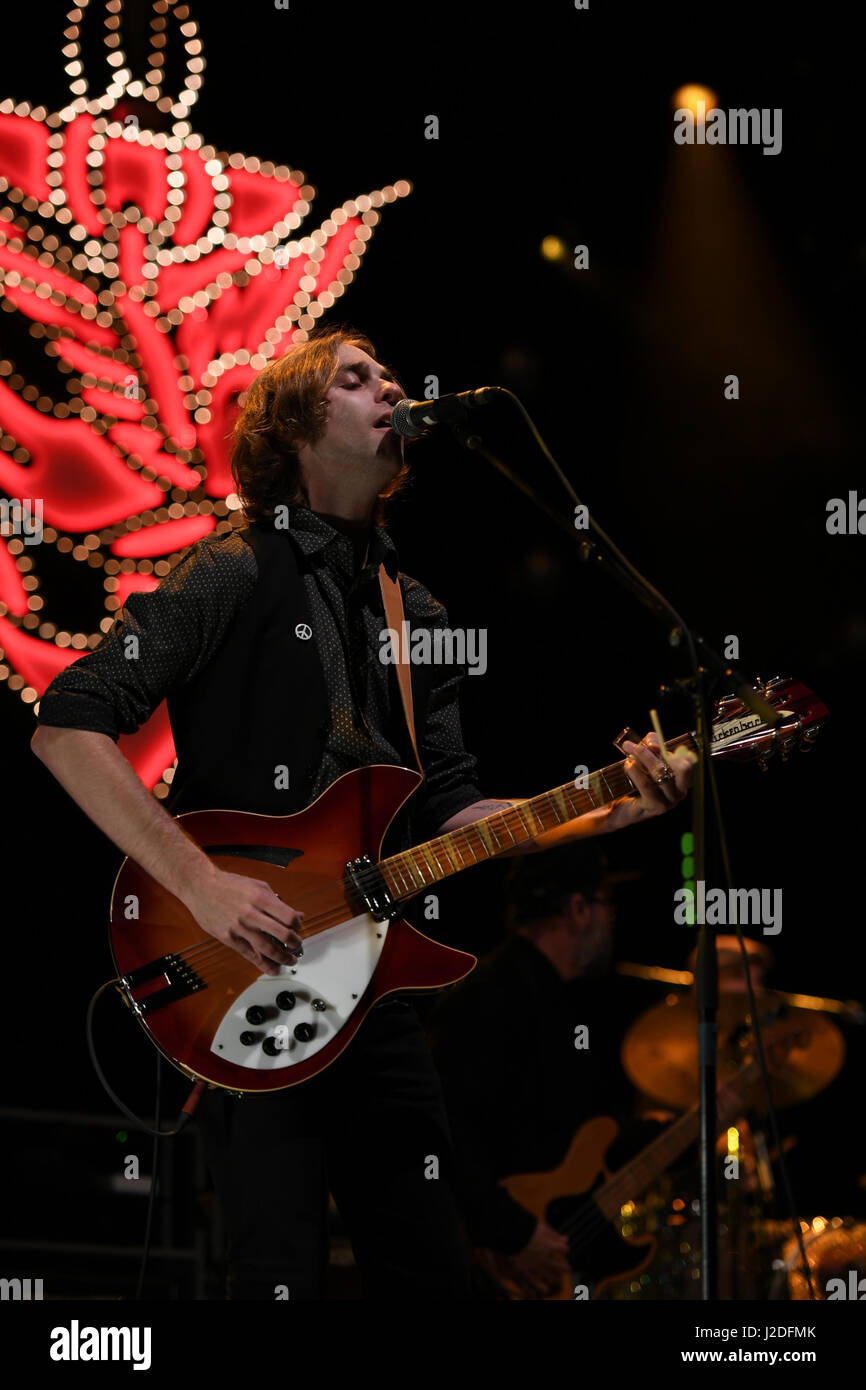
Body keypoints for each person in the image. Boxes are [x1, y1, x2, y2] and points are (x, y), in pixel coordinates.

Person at [30, 323, 694, 1299]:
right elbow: (66, 727)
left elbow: (458, 813)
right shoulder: (230, 571)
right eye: (356, 378)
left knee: (429, 1267)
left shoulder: (413, 611)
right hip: (241, 979)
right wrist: (203, 885)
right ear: (297, 429)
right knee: (277, 1268)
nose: (390, 386)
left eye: (388, 375)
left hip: (376, 996)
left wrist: (606, 810)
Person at [427, 844, 656, 1298]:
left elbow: (566, 1138)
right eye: (606, 904)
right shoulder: (489, 997)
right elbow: (445, 1128)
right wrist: (509, 1234)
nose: (613, 921)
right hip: (488, 1265)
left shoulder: (563, 1001)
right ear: (578, 909)